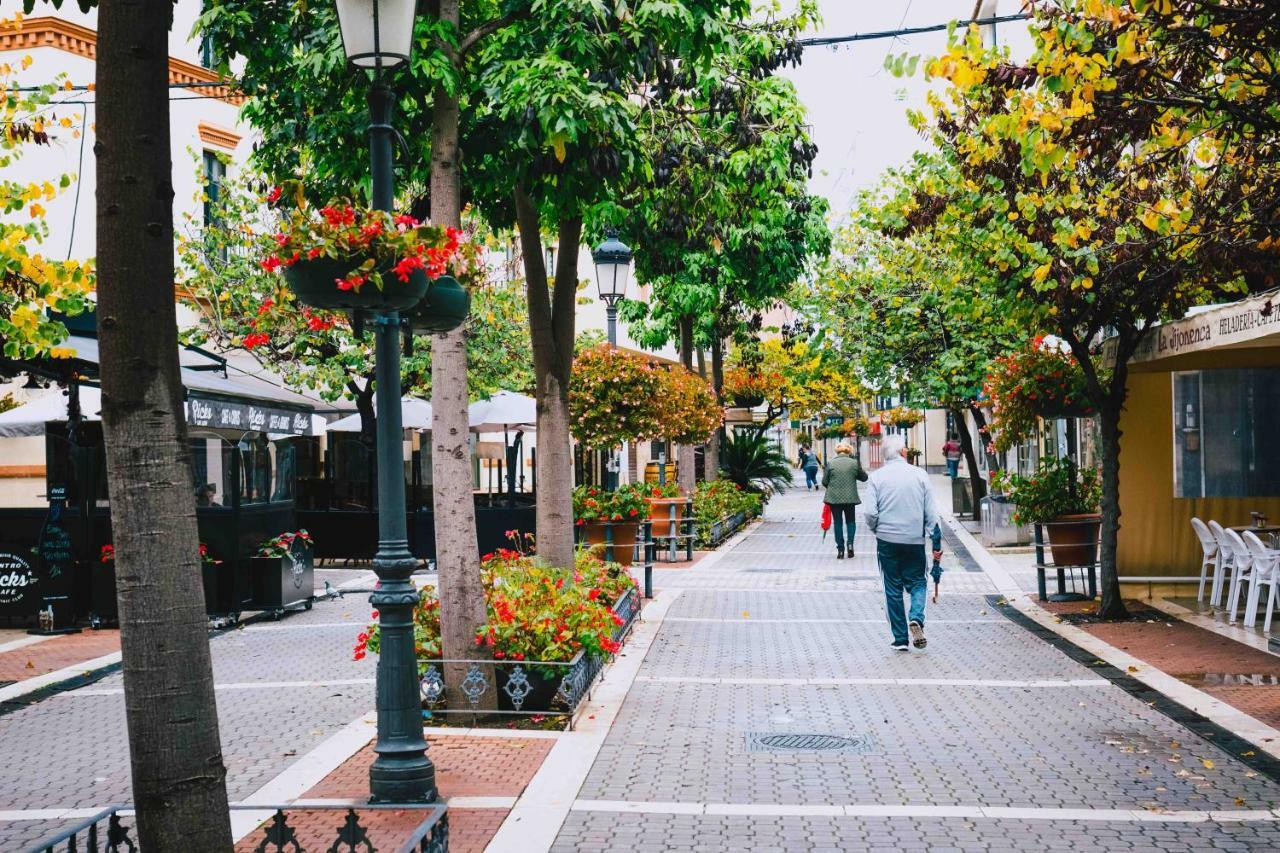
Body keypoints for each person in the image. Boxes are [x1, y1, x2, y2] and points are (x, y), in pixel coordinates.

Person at [864, 434, 941, 650]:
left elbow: (870, 513)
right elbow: (932, 514)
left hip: (887, 540)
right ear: (903, 452)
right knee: (918, 582)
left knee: (892, 588)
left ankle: (900, 639)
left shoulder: (876, 478)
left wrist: (877, 529)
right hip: (914, 540)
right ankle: (916, 617)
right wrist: (936, 543)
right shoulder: (920, 475)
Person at [822, 443, 868, 559]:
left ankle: (840, 550)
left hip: (834, 498)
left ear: (837, 452)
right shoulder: (854, 463)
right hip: (850, 498)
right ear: (849, 452)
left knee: (838, 523)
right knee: (851, 521)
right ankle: (850, 544)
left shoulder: (831, 463)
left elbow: (824, 481)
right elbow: (864, 478)